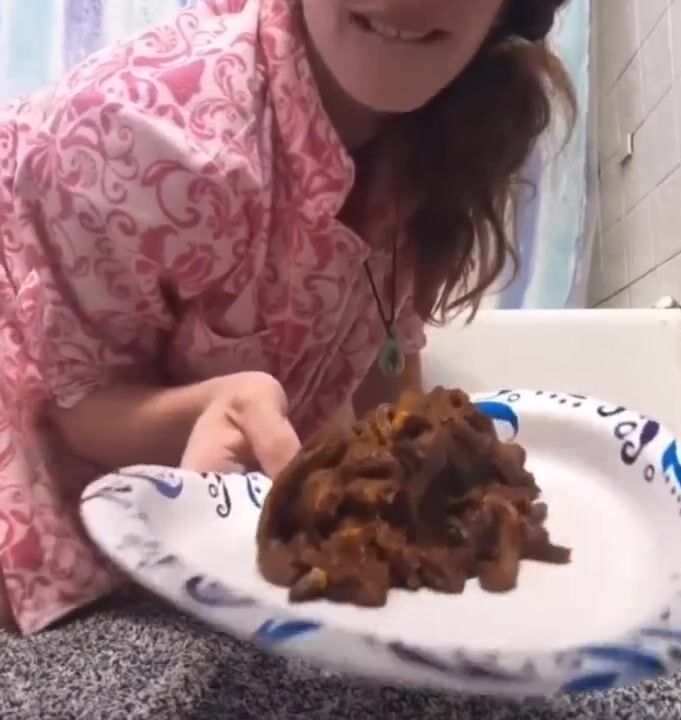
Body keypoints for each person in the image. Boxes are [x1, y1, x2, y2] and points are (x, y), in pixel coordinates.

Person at [0, 0, 573, 633]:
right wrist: (205, 408)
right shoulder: (138, 130)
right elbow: (77, 409)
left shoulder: (450, 129)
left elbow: (386, 357)